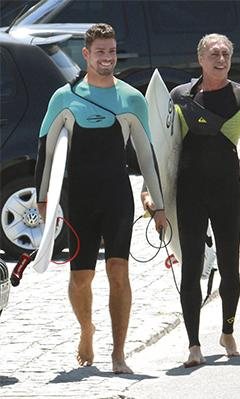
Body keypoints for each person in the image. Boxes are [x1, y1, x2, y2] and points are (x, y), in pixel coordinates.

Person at [34, 23, 167, 374]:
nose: (107, 58)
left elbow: (146, 155)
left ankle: (119, 353)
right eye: (100, 52)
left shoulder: (130, 99)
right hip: (79, 200)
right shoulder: (65, 97)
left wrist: (160, 205)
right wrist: (44, 199)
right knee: (81, 279)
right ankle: (86, 330)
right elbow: (46, 152)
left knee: (119, 272)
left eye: (111, 51)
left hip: (117, 199)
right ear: (87, 54)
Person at [142, 33, 240, 368]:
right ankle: (194, 344)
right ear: (201, 58)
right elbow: (160, 147)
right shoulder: (179, 96)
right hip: (189, 191)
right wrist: (149, 190)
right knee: (191, 267)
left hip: (227, 190)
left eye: (226, 53)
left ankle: (227, 331)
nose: (222, 59)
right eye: (215, 53)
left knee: (229, 266)